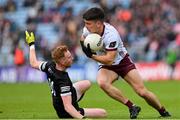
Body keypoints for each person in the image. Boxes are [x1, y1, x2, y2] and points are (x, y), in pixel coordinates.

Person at [80, 7, 171, 119]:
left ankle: (162, 111)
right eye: (85, 23)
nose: (86, 26)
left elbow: (110, 59)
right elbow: (82, 38)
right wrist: (83, 47)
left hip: (122, 62)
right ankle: (132, 106)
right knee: (102, 83)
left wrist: (91, 55)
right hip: (107, 66)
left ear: (98, 23)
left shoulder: (111, 35)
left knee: (142, 92)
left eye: (88, 23)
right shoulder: (87, 30)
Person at [25, 31, 107, 119]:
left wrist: (31, 44)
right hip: (64, 111)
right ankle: (77, 109)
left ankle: (71, 97)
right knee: (103, 113)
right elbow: (68, 107)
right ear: (62, 61)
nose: (72, 58)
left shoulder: (50, 65)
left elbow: (33, 63)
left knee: (87, 83)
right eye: (69, 57)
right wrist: (82, 118)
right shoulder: (63, 81)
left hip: (59, 99)